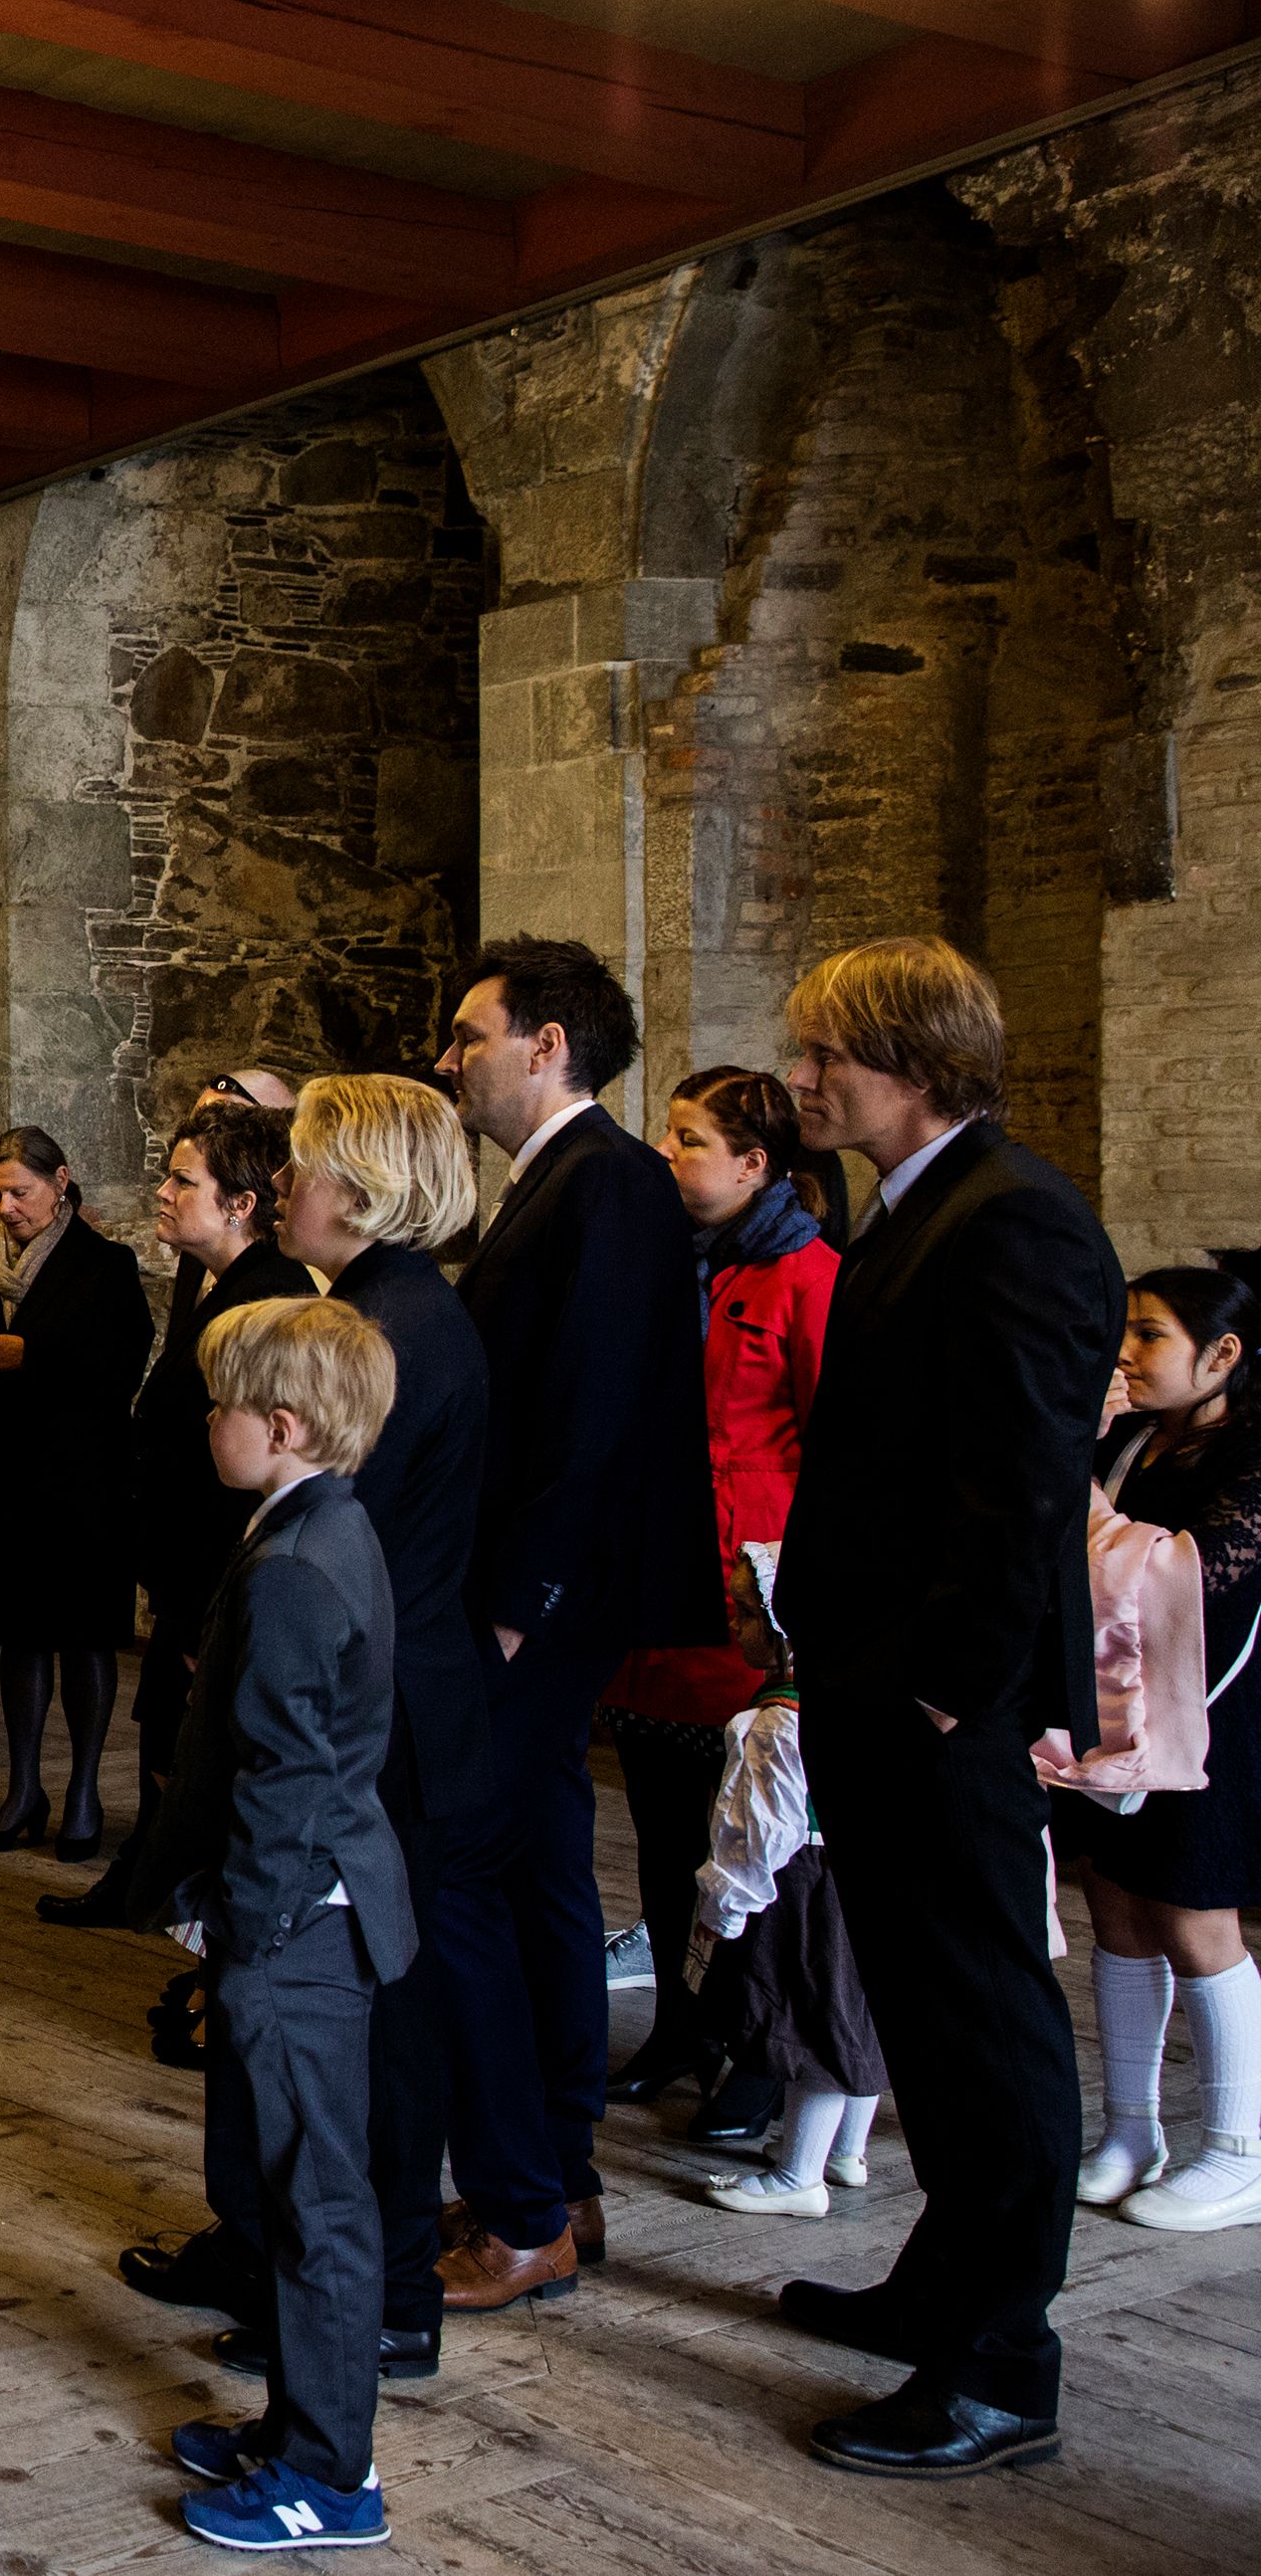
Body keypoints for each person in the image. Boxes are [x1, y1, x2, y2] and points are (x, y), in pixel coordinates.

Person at [771, 936, 1122, 2477]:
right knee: (920, 2001)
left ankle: (1001, 2361)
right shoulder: (920, 1207)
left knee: (983, 2016)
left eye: (822, 1052)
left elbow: (1024, 1488)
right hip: (880, 1684)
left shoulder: (1017, 1220)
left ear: (908, 1056)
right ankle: (943, 2282)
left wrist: (936, 1687)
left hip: (938, 1705)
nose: (801, 1079)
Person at [116, 1077, 487, 2384]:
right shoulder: (357, 1308)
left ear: (367, 1186)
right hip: (323, 1697)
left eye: (305, 1166)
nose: (282, 1188)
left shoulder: (393, 1328)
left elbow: (344, 1558)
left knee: (361, 2037)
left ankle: (371, 2290)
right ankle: (268, 2242)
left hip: (366, 1723)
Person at [426, 937, 723, 2311]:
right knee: (542, 1871)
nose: (450, 1058)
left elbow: (588, 1420)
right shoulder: (563, 1183)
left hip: (543, 1605)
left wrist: (512, 1610)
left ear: (547, 1045)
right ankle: (561, 2173)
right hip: (543, 1602)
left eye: (468, 1034)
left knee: (464, 1880)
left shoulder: (605, 1183)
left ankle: (523, 2208)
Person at [131, 1294, 413, 2554]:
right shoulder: (318, 1522)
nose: (208, 1422)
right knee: (307, 2193)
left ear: (282, 1425)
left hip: (298, 1923)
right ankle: (295, 2425)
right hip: (308, 1911)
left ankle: (325, 2475)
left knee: (318, 2205)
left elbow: (288, 1781)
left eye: (221, 1405)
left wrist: (241, 1930)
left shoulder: (299, 1563)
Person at [599, 1069, 841, 2131]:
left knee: (747, 1836)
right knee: (660, 1826)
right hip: (658, 1580)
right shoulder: (663, 1265)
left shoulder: (807, 1274)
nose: (666, 1151)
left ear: (754, 1163)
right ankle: (682, 2024)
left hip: (751, 1595)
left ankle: (755, 2046)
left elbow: (836, 1445)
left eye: (689, 1137)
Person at [47, 1102, 313, 1930]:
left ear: (240, 1203)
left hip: (217, 1574)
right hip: (185, 1572)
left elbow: (249, 1475)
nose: (161, 1192)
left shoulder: (269, 1296)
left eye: (181, 1179)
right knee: (170, 1742)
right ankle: (148, 1879)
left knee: (196, 1750)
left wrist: (205, 1604)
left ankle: (191, 1907)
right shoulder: (211, 1283)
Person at [1074, 1266, 1261, 2233]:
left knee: (1194, 1918)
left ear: (1221, 1353)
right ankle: (1129, 2126)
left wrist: (1084, 1504)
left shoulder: (1251, 1455)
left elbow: (1194, 1579)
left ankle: (1239, 2151)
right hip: (1111, 1702)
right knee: (1114, 1900)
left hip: (1211, 1717)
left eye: (1149, 1335)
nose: (1126, 1354)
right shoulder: (1132, 1439)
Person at [0, 1124, 156, 1859]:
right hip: (3, 1478)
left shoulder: (105, 1265)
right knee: (19, 1635)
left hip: (82, 1478)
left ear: (60, 1181)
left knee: (82, 1635)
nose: (8, 1206)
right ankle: (24, 1786)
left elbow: (122, 1365)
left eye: (20, 1190)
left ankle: (83, 1789)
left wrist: (33, 1355)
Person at [688, 1544, 892, 2222]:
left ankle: (798, 2174)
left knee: (812, 2025)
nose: (737, 1626)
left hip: (801, 1883)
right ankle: (847, 2152)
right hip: (860, 1869)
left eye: (748, 1615)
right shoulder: (861, 1689)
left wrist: (727, 1899)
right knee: (856, 2011)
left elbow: (761, 1825)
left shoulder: (781, 1719)